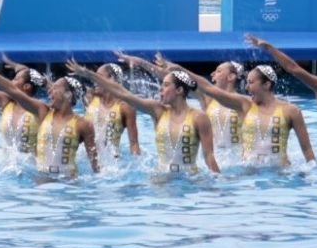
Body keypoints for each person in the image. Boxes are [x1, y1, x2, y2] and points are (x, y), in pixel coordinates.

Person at [67, 58, 220, 175]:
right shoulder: (158, 111)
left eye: (166, 85)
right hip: (161, 179)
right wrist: (88, 74)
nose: (160, 89)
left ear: (179, 90)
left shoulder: (199, 118)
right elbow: (122, 93)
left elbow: (209, 156)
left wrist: (218, 184)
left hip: (190, 180)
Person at [156, 56, 315, 168]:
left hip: (274, 170)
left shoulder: (289, 110)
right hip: (241, 167)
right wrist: (178, 71)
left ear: (266, 85)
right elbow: (206, 87)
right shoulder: (238, 104)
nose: (247, 87)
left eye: (251, 83)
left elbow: (307, 150)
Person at [0, 54, 99, 178]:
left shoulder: (84, 124)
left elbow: (95, 165)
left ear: (68, 95)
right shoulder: (43, 112)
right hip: (42, 179)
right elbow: (11, 89)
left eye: (55, 88)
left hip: (70, 183)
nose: (50, 91)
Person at [119, 51, 244, 157]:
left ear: (231, 77)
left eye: (218, 71)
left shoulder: (244, 103)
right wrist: (140, 62)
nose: (212, 74)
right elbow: (175, 79)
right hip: (211, 156)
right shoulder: (208, 99)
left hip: (236, 159)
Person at [83, 62, 141, 159]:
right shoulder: (90, 96)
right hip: (85, 157)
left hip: (111, 161)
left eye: (99, 77)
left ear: (112, 80)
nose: (95, 81)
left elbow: (134, 143)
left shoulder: (125, 107)